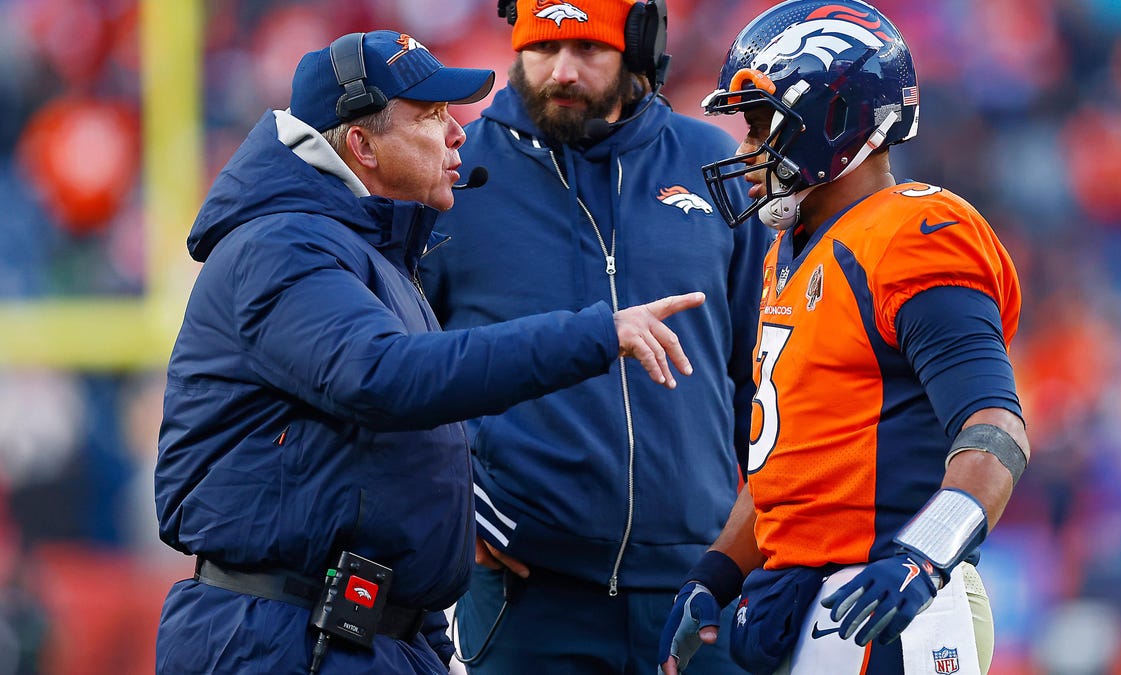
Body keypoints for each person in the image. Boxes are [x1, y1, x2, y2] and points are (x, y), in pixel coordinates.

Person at [153, 29, 708, 675]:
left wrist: (423, 632)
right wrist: (593, 335)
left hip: (353, 631)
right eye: (432, 115)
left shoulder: (366, 251)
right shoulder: (282, 245)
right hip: (281, 636)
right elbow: (383, 376)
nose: (458, 134)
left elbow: (391, 473)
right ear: (362, 145)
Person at [656, 2, 1029, 674]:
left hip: (896, 600)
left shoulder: (914, 235)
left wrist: (925, 555)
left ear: (833, 119)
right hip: (811, 601)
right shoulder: (789, 251)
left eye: (762, 125)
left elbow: (995, 430)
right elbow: (792, 464)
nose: (745, 149)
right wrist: (715, 573)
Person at [416, 0, 770, 672]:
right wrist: (459, 501)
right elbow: (400, 369)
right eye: (543, 48)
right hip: (528, 591)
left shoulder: (711, 163)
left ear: (636, 50)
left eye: (587, 48)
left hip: (700, 582)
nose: (562, 71)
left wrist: (754, 536)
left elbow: (764, 372)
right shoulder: (454, 171)